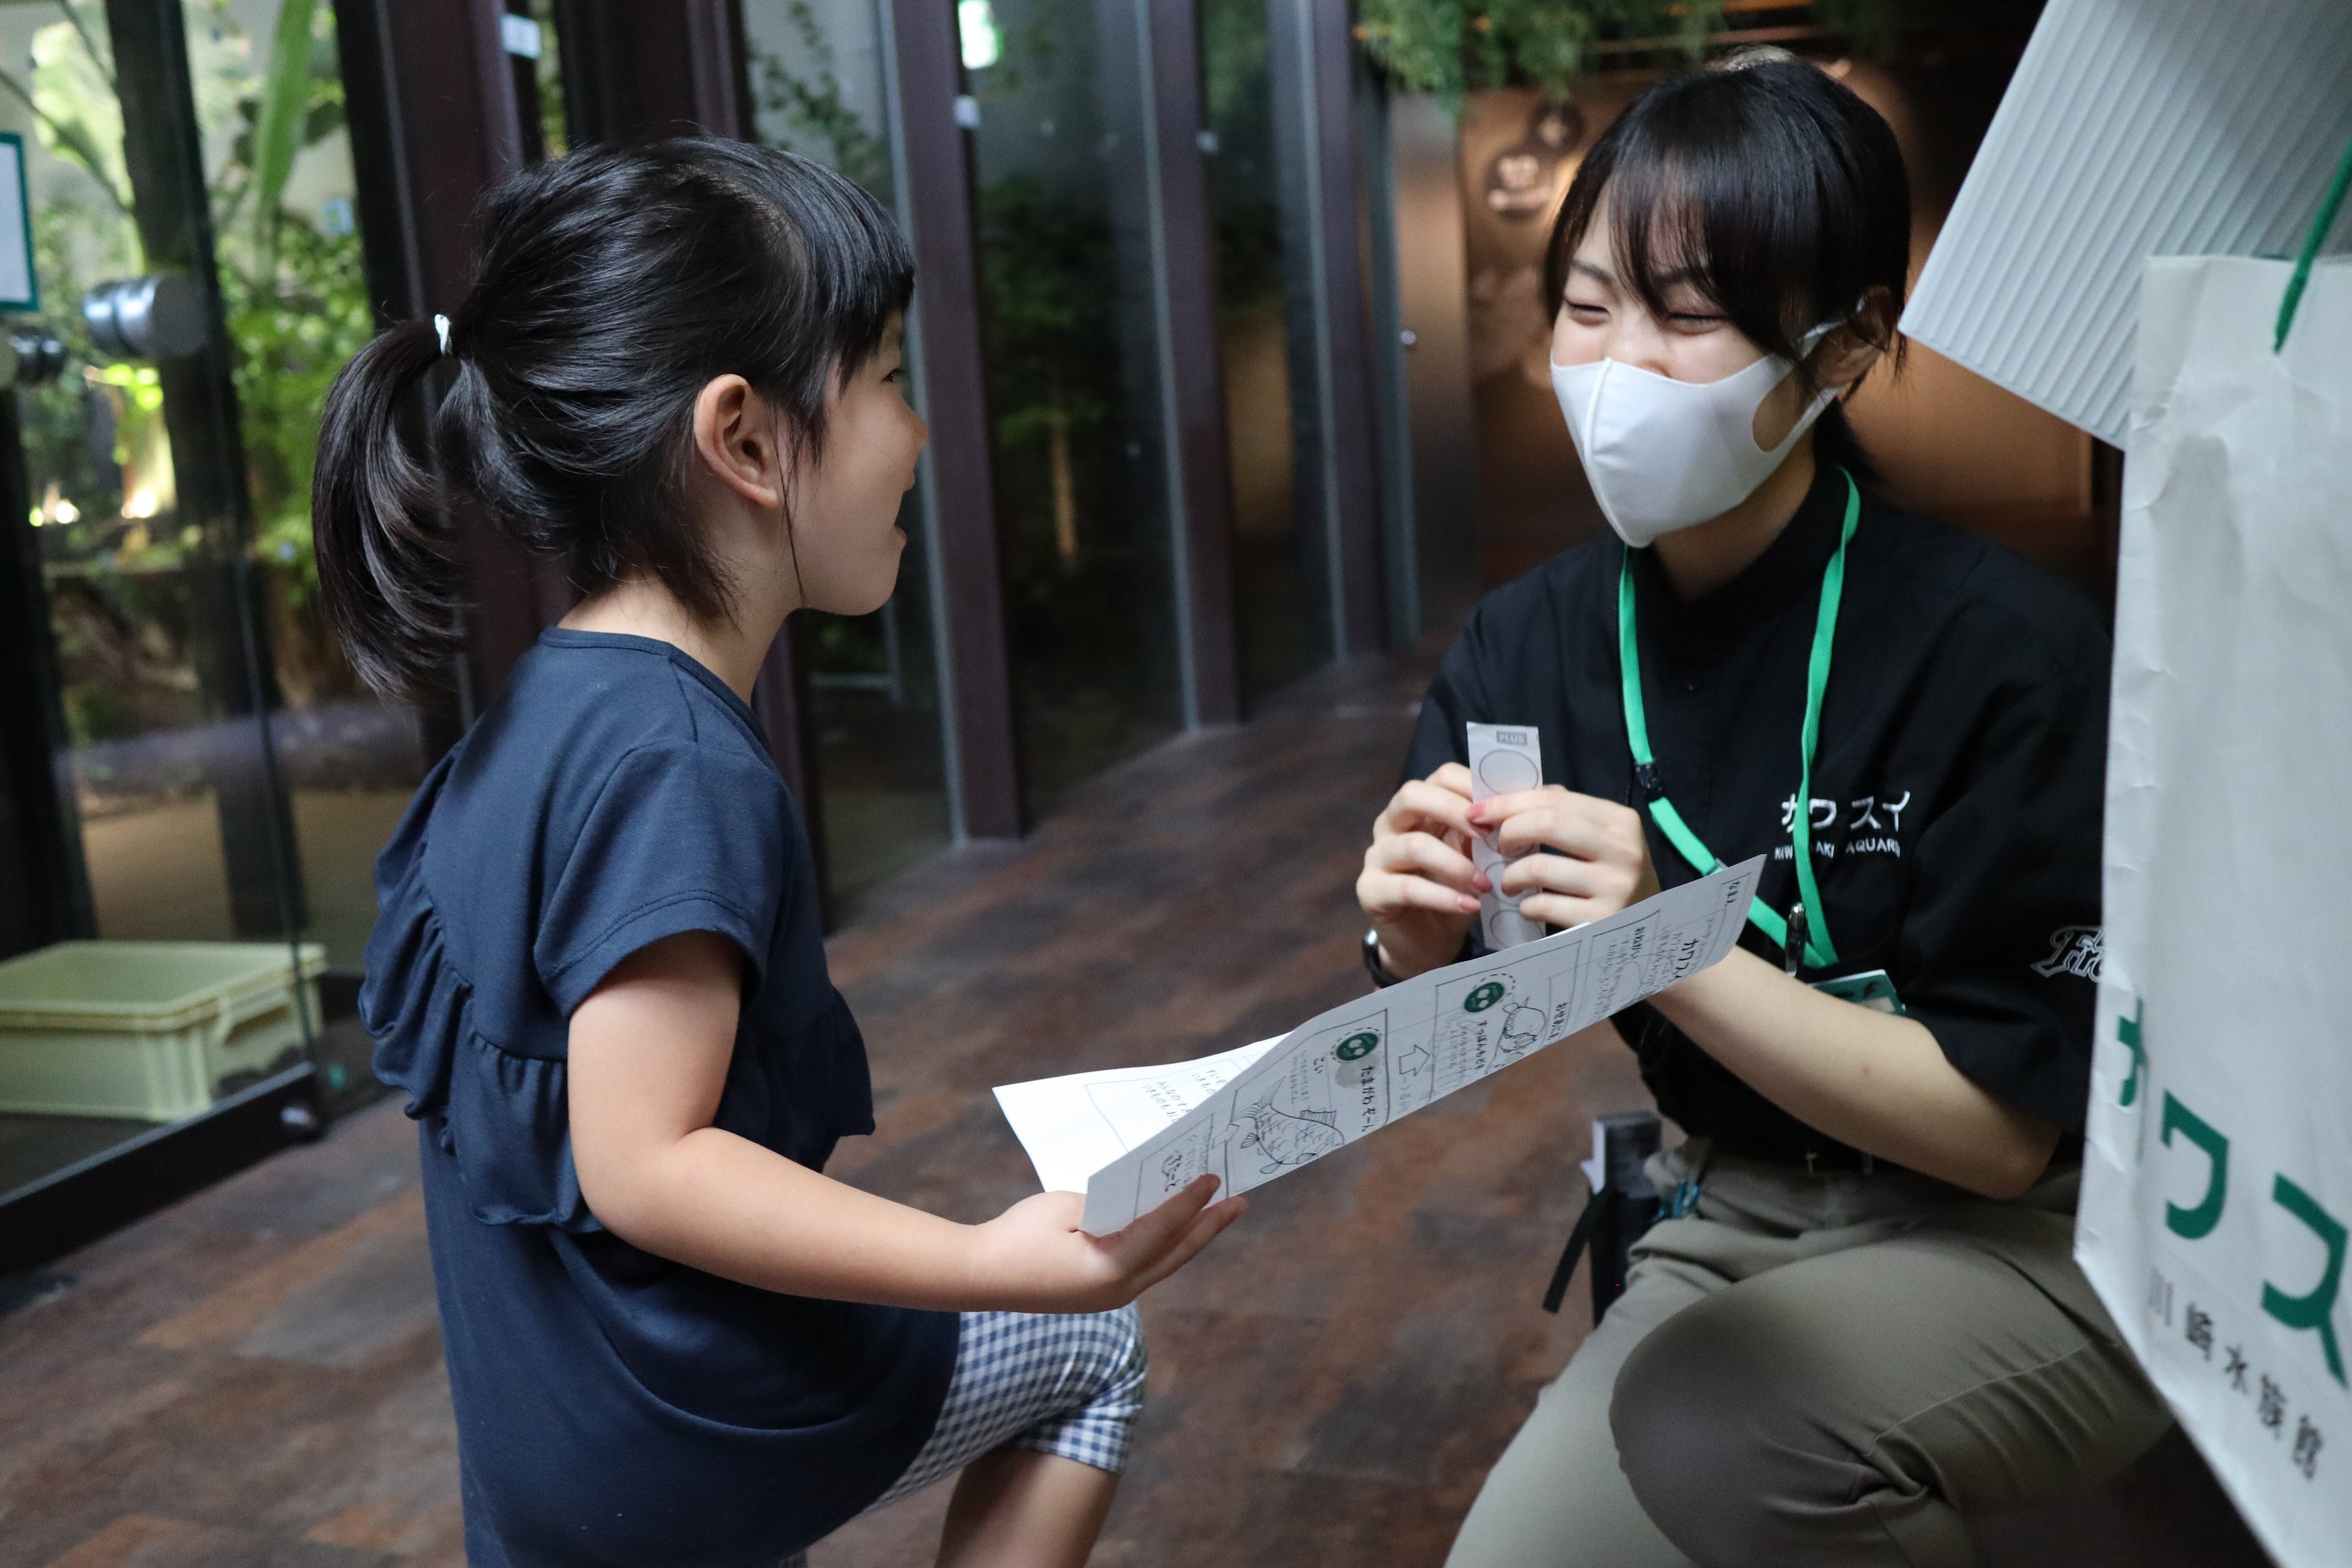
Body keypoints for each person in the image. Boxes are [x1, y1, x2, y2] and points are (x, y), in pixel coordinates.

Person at [314, 140, 1244, 1568]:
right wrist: (986, 1262)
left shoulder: (548, 705)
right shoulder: (676, 762)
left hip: (540, 1440)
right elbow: (646, 1163)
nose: (916, 434)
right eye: (887, 378)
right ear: (744, 442)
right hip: (672, 1435)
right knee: (1092, 1351)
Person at [1355, 55, 2172, 1568]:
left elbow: (2002, 1138)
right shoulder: (1528, 644)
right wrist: (1411, 944)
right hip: (1733, 1210)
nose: (1619, 367)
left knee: (1735, 1438)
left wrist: (1665, 937)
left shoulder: (2003, 650)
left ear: (1847, 344)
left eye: (1688, 317)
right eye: (1587, 307)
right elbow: (1475, 991)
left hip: (2031, 1239)